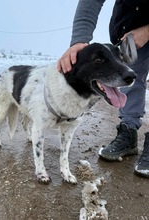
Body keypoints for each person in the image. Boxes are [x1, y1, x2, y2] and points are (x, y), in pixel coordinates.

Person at [57, 0, 149, 178]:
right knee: (130, 79)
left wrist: (147, 30)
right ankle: (129, 132)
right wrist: (79, 40)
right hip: (127, 31)